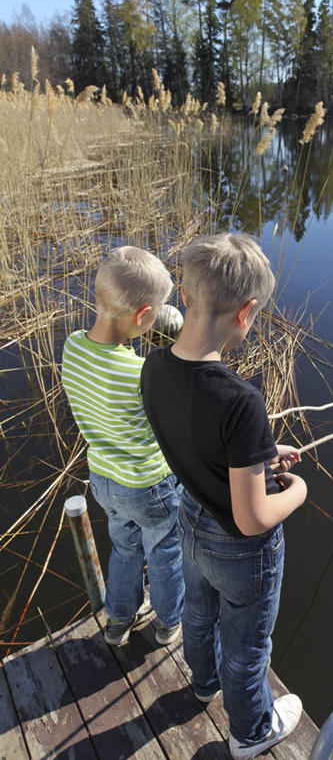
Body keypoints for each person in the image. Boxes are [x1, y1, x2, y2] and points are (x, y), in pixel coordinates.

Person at [141, 232, 308, 760]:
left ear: (186, 297)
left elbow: (197, 440)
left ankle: (203, 683)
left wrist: (258, 452)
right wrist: (297, 493)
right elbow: (253, 517)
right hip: (240, 549)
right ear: (247, 312)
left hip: (190, 520)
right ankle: (251, 732)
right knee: (248, 647)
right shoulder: (241, 400)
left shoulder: (153, 368)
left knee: (198, 612)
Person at [61, 246, 184, 647]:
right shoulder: (142, 373)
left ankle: (118, 622)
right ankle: (168, 623)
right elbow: (171, 424)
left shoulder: (72, 347)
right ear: (143, 316)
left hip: (103, 482)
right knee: (165, 553)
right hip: (148, 485)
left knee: (125, 549)